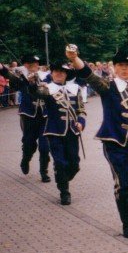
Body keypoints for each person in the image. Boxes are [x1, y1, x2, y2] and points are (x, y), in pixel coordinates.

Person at [72, 48, 128, 239]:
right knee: (124, 184)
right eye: (121, 65)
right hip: (115, 142)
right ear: (115, 67)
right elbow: (89, 75)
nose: (124, 68)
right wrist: (75, 58)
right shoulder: (108, 86)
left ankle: (126, 205)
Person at [27, 59, 85, 205]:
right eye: (56, 71)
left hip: (72, 131)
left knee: (74, 164)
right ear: (52, 73)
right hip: (54, 131)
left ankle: (62, 178)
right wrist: (32, 83)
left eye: (62, 71)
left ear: (66, 74)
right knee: (60, 163)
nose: (59, 73)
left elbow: (81, 110)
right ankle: (64, 192)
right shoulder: (47, 88)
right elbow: (36, 93)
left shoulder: (75, 89)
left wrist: (81, 122)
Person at [0, 55, 51, 182]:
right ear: (26, 65)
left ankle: (44, 172)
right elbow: (10, 76)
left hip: (44, 115)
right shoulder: (21, 76)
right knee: (29, 144)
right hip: (29, 115)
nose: (34, 65)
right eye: (31, 63)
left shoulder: (45, 76)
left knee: (45, 146)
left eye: (36, 63)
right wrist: (1, 68)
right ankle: (25, 159)